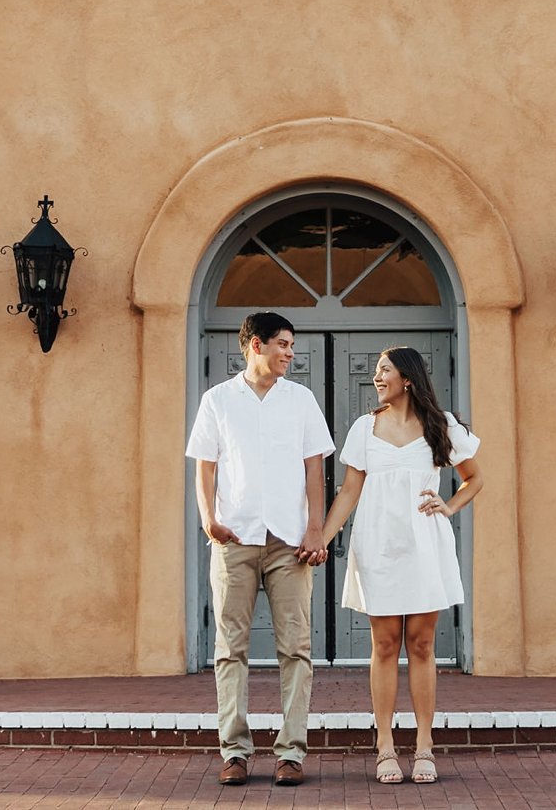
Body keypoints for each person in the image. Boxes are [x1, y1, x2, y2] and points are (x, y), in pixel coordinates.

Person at [316, 345, 483, 786]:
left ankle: (425, 745)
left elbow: (475, 477)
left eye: (384, 370)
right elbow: (349, 492)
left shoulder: (440, 426)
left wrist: (448, 506)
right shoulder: (363, 428)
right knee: (386, 644)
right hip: (379, 545)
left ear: (406, 378)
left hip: (425, 545)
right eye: (375, 371)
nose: (376, 377)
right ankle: (386, 746)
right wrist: (321, 539)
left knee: (422, 644)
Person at [185, 311, 334, 787]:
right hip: (234, 539)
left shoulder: (302, 400)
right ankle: (235, 751)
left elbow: (316, 471)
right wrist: (208, 518)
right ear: (255, 345)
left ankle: (291, 753)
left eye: (291, 345)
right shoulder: (218, 401)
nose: (290, 353)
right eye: (283, 344)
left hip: (290, 543)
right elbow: (205, 467)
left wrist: (316, 530)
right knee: (230, 649)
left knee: (297, 648)